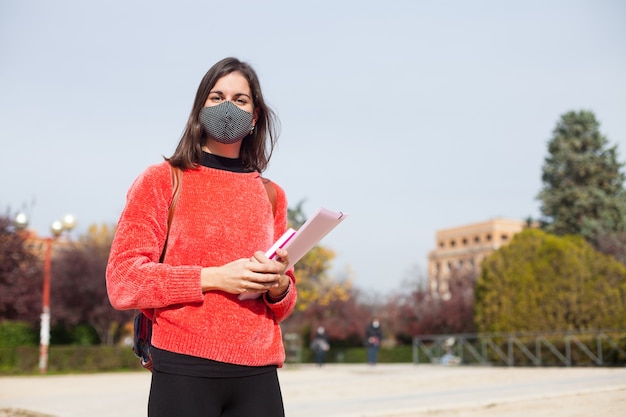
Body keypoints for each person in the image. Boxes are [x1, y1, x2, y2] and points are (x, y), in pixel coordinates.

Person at [106, 57, 296, 417]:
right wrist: (214, 278)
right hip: (183, 367)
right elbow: (123, 280)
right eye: (216, 97)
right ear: (199, 110)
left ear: (255, 117)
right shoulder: (162, 180)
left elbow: (284, 304)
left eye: (241, 100)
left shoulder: (273, 195)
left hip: (258, 371)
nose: (228, 107)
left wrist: (278, 286)